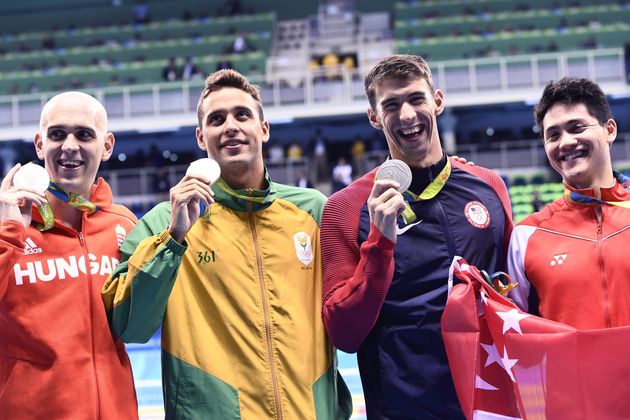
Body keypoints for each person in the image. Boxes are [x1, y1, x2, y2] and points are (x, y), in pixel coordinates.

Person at [102, 69, 352, 419]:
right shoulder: (165, 222)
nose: (230, 126)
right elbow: (130, 326)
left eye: (242, 114)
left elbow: (350, 313)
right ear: (201, 137)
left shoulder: (312, 211)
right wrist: (173, 240)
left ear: (263, 129)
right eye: (217, 119)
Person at [320, 54, 513, 419]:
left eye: (416, 99)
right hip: (404, 409)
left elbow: (514, 291)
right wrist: (379, 243)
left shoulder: (489, 185)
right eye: (391, 105)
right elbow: (344, 335)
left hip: (492, 404)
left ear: (437, 101)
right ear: (374, 118)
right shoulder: (345, 208)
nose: (407, 114)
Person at [0, 92, 138, 418]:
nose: (70, 145)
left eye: (84, 134)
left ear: (107, 146)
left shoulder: (124, 225)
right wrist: (8, 235)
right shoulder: (7, 228)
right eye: (58, 134)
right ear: (39, 144)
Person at [507, 77, 630, 329]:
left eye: (576, 128)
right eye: (553, 135)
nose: (565, 142)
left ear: (609, 130)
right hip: (570, 369)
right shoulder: (527, 236)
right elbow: (518, 333)